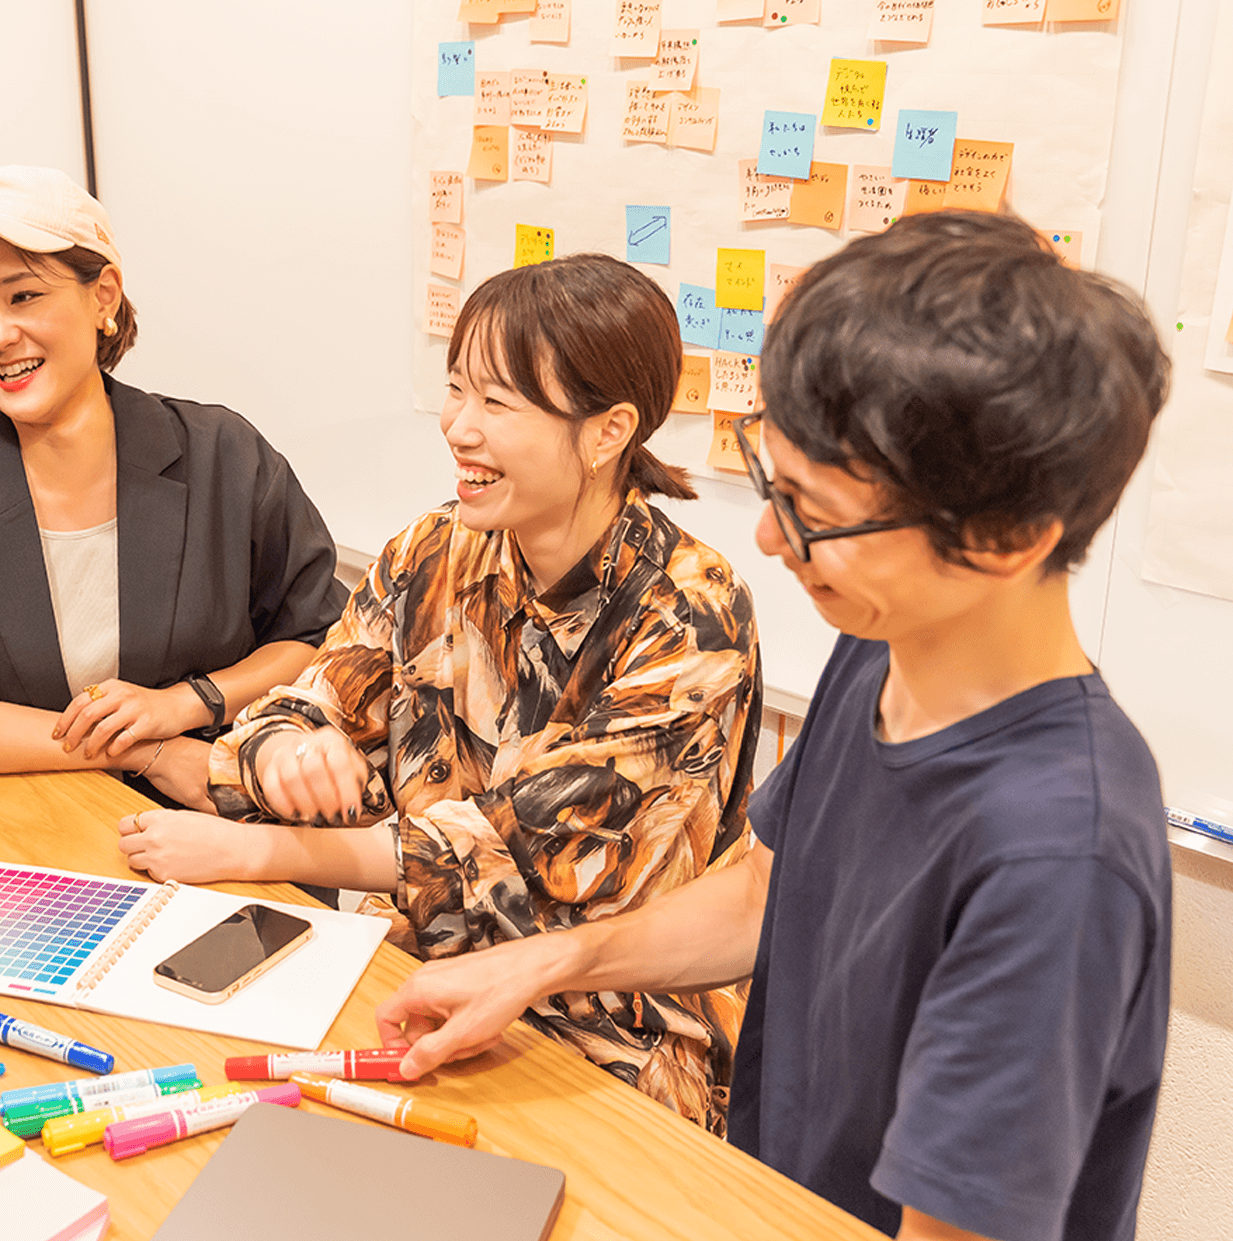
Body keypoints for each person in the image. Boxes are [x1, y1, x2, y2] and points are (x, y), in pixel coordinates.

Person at [373, 212, 1172, 1241]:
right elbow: (768, 891)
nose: (764, 536)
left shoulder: (1058, 855)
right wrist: (547, 961)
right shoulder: (887, 645)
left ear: (1006, 537)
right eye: (771, 481)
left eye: (813, 511)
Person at [118, 254, 762, 1134]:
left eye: (498, 404)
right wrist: (290, 748)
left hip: (606, 1029)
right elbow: (315, 692)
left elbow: (531, 850)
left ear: (609, 431)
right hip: (402, 966)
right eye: (456, 391)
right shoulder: (434, 548)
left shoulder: (689, 610)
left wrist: (259, 851)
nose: (459, 427)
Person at [0, 166, 346, 802]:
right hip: (33, 841)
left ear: (104, 297)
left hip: (224, 821)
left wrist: (187, 704)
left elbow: (321, 637)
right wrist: (148, 751)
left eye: (23, 296)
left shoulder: (223, 457)